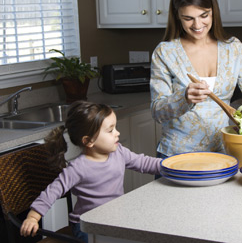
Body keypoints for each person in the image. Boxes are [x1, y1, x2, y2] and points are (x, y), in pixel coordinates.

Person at [150, 0, 242, 158]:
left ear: (213, 10)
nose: (197, 25)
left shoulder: (233, 48)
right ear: (177, 15)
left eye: (204, 15)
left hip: (225, 153)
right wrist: (184, 98)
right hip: (177, 156)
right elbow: (157, 111)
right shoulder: (165, 53)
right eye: (188, 18)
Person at [20, 101, 162, 243]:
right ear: (89, 141)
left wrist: (169, 165)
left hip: (114, 220)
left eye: (115, 128)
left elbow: (144, 163)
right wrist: (33, 217)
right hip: (86, 227)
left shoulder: (119, 152)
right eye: (110, 130)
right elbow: (52, 191)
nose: (117, 133)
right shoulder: (78, 168)